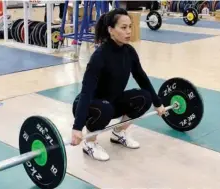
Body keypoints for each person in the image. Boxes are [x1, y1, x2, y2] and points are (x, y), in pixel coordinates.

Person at [71, 8, 166, 161]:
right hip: (91, 106)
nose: (128, 31)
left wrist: (158, 103)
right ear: (111, 30)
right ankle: (89, 143)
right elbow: (86, 92)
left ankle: (119, 132)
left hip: (112, 102)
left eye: (130, 27)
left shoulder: (129, 52)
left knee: (144, 98)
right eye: (123, 27)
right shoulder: (99, 56)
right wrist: (77, 127)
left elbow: (142, 78)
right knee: (105, 108)